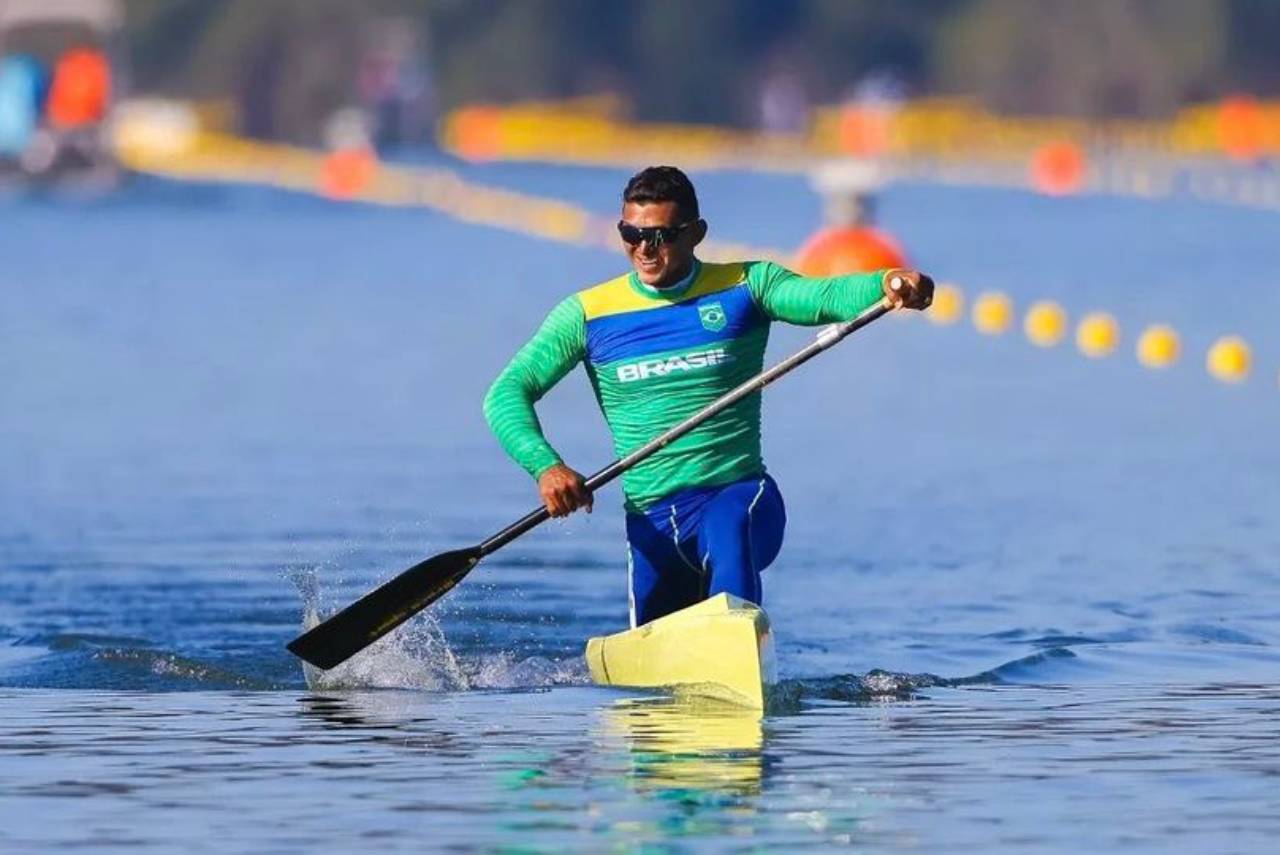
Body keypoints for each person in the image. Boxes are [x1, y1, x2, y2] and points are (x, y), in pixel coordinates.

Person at [484, 166, 933, 628]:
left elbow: (820, 295)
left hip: (738, 496)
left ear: (696, 233)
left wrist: (885, 283)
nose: (643, 248)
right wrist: (546, 466)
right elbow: (505, 395)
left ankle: (738, 641)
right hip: (651, 521)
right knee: (651, 672)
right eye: (630, 234)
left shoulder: (747, 285)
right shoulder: (585, 315)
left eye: (660, 235)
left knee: (729, 531)